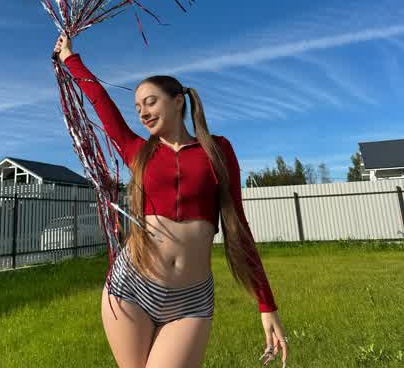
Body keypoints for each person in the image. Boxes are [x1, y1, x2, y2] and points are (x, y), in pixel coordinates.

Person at [53, 33, 288, 368]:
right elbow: (101, 102)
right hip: (131, 288)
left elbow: (238, 227)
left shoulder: (218, 150)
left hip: (191, 301)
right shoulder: (138, 152)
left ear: (178, 101)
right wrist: (69, 58)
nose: (143, 113)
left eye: (150, 102)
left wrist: (267, 304)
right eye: (138, 108)